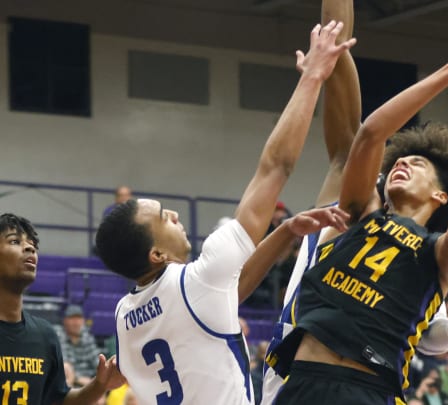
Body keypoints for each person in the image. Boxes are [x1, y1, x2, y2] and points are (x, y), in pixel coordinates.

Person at [94, 21, 356, 405]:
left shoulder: (124, 316)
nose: (176, 216)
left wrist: (283, 233)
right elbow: (276, 167)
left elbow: (221, 296)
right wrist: (313, 77)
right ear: (157, 255)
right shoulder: (201, 277)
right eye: (164, 216)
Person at [256, 0, 448, 403]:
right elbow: (358, 126)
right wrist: (332, 48)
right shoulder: (349, 209)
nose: (401, 164)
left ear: (441, 195)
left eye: (417, 164)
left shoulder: (423, 257)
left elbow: (426, 337)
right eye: (399, 161)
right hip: (297, 368)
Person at [0, 213, 124, 404]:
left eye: (32, 244)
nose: (30, 247)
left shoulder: (44, 335)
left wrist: (100, 384)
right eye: (15, 241)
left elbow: (62, 401)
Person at [54, 305, 102, 385]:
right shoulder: (59, 336)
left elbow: (97, 364)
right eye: (72, 318)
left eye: (79, 318)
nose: (76, 323)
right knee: (66, 373)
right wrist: (78, 378)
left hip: (89, 381)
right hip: (69, 381)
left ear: (83, 321)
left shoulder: (88, 338)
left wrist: (96, 381)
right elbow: (63, 365)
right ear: (65, 321)